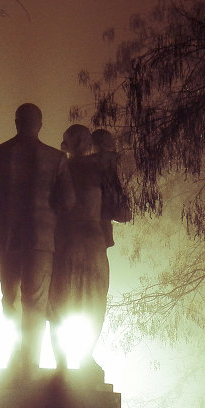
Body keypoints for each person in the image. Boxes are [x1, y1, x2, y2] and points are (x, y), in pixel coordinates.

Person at [0, 103, 74, 372]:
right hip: (40, 241)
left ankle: (18, 360)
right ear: (39, 125)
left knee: (11, 299)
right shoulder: (56, 159)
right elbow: (68, 203)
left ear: (16, 122)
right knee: (34, 302)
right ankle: (28, 363)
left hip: (6, 240)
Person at [49, 124, 130, 371]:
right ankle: (84, 358)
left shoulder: (55, 168)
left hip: (64, 242)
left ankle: (63, 361)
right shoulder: (99, 169)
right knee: (93, 301)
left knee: (60, 299)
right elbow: (123, 212)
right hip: (89, 241)